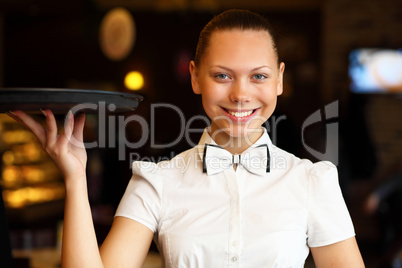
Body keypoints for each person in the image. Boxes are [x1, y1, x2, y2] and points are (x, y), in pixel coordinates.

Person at [7, 9, 365, 268]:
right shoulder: (156, 181)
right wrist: (74, 177)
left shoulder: (313, 181)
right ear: (195, 77)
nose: (241, 94)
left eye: (258, 76)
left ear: (279, 80)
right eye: (222, 75)